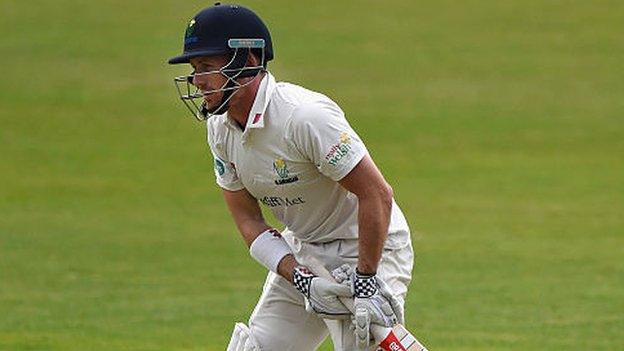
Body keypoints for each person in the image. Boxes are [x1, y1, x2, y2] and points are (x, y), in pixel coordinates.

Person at [168, 3, 414, 350]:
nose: (197, 80)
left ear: (248, 63)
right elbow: (248, 220)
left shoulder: (304, 117)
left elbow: (377, 194)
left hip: (368, 247)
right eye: (194, 69)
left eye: (207, 66)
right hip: (303, 247)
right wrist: (300, 278)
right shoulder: (219, 128)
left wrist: (366, 281)